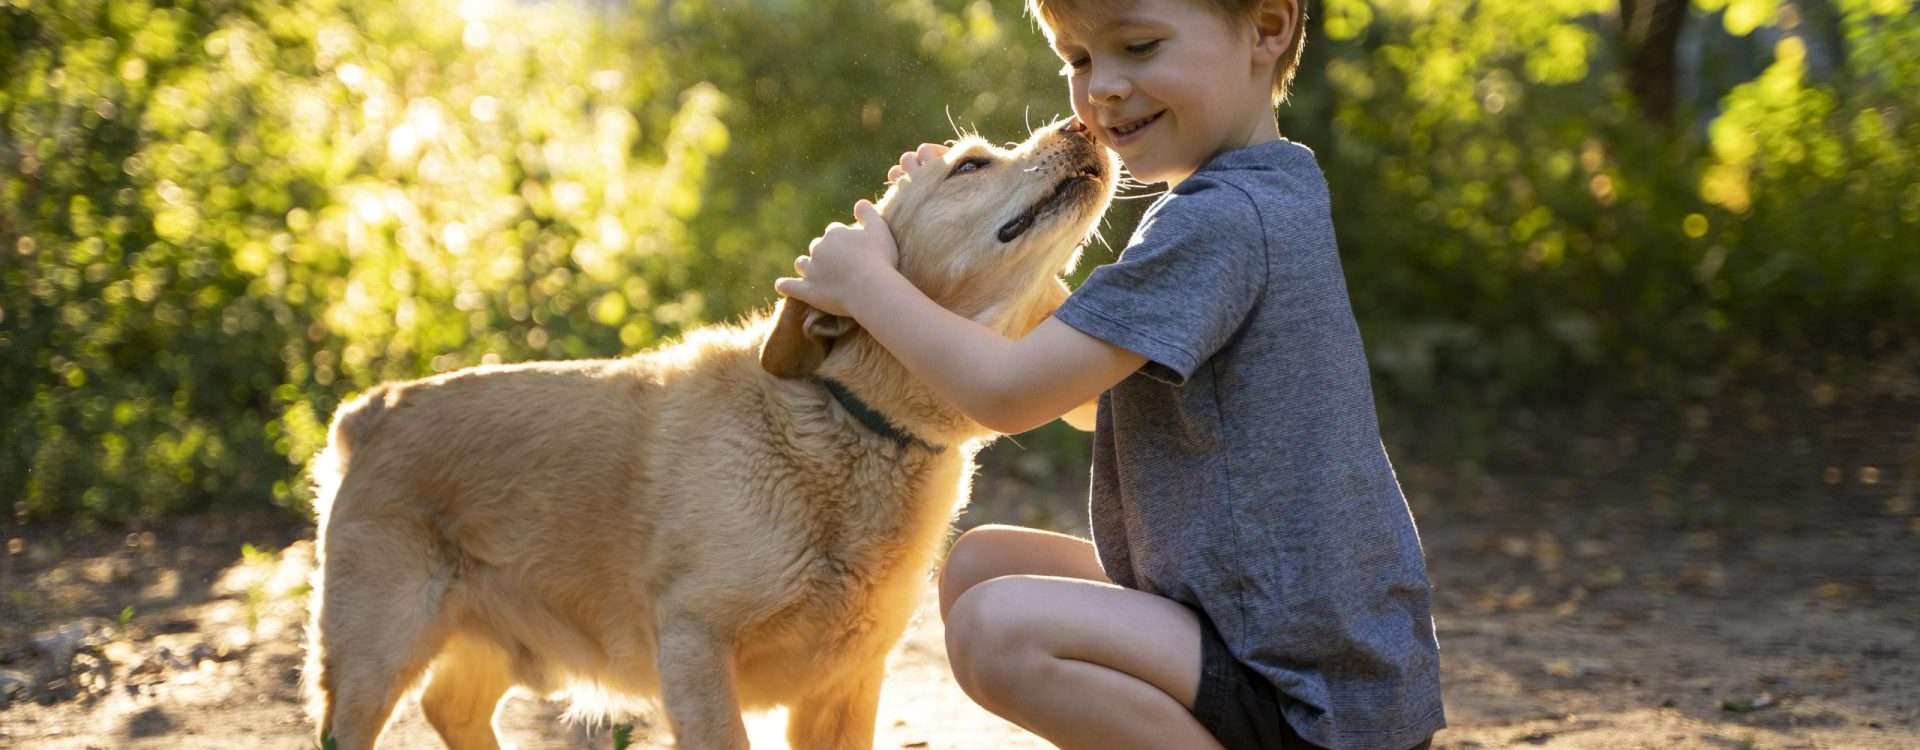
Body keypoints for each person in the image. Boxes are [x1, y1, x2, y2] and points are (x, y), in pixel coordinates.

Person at [773, 0, 1443, 747]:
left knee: (1001, 632)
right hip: (1281, 634)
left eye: (1140, 46)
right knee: (979, 565)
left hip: (1307, 693)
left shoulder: (1218, 222)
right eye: (1080, 60)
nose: (1105, 90)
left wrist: (869, 285)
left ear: (1267, 28)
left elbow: (1010, 395)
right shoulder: (1258, 192)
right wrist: (960, 224)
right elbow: (1095, 401)